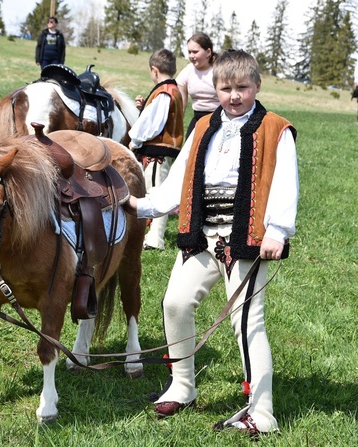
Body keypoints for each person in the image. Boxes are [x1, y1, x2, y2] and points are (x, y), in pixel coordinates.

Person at [127, 49, 298, 437]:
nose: (234, 95)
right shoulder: (204, 126)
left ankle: (263, 411)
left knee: (246, 322)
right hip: (201, 237)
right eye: (225, 88)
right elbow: (179, 181)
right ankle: (183, 386)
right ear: (215, 88)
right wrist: (140, 205)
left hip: (248, 239)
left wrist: (278, 230)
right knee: (174, 303)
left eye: (242, 87)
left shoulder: (276, 128)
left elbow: (286, 181)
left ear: (257, 86)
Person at [128, 49, 184, 251]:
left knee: (156, 192)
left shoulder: (164, 92)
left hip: (157, 152)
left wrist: (135, 139)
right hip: (163, 151)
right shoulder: (171, 90)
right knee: (155, 190)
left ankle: (155, 239)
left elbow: (154, 124)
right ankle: (150, 234)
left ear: (154, 70)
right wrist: (144, 107)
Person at [176, 32, 220, 138]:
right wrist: (176, 124)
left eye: (195, 52)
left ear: (208, 52)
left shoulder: (219, 70)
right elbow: (181, 102)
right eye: (189, 52)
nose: (191, 56)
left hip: (219, 119)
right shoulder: (188, 71)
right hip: (197, 119)